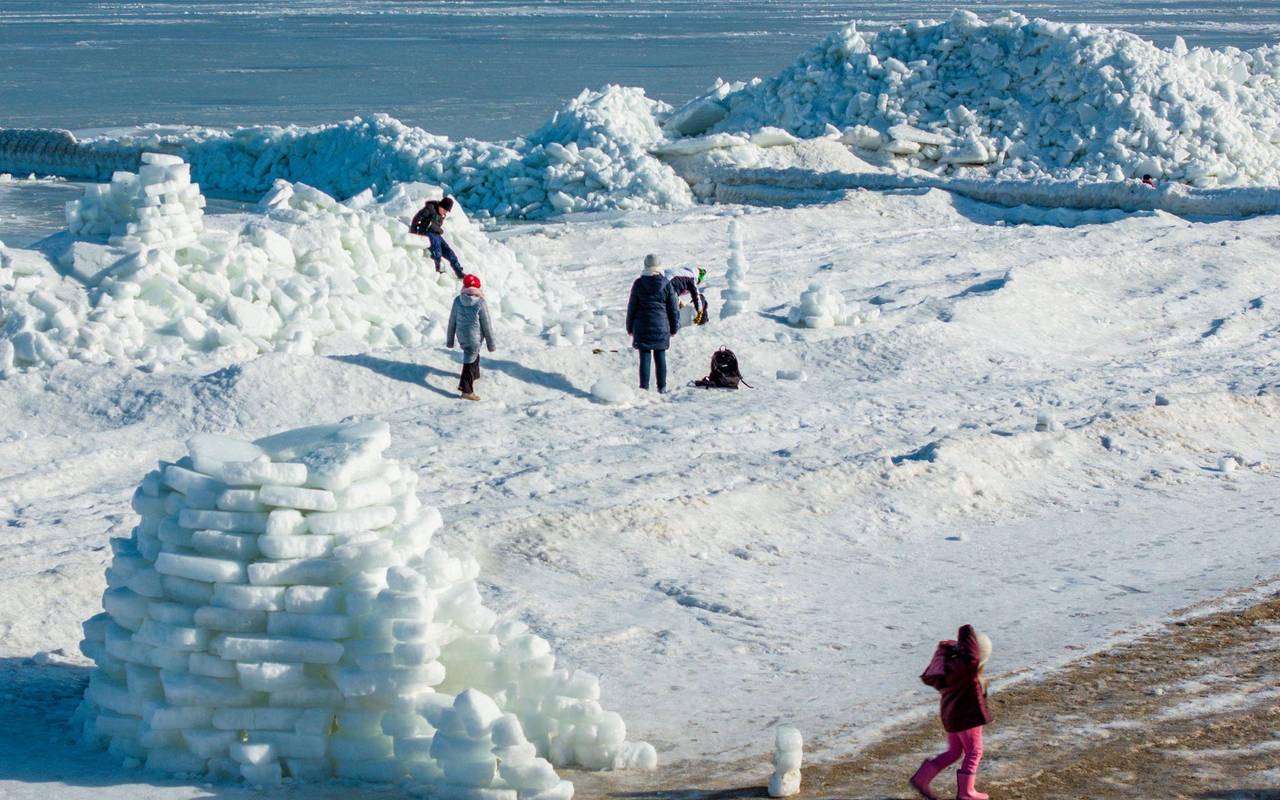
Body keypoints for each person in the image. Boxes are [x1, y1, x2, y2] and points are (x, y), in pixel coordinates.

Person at [910, 624, 993, 800]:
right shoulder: (968, 672)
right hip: (967, 718)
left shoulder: (950, 667)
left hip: (951, 716)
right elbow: (971, 656)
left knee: (954, 751)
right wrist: (967, 631)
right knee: (974, 751)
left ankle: (921, 779)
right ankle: (966, 792)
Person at [626, 254, 680, 393]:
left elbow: (632, 307)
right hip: (661, 326)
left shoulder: (638, 284)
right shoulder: (666, 284)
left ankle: (644, 388)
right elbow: (673, 309)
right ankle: (662, 387)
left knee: (645, 356)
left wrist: (629, 326)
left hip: (642, 326)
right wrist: (674, 327)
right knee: (660, 355)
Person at [446, 274, 494, 401]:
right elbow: (486, 325)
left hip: (461, 335)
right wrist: (491, 344)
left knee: (472, 353)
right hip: (474, 337)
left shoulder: (457, 300)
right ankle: (466, 390)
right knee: (470, 357)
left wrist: (450, 340)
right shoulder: (480, 302)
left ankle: (475, 374)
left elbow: (452, 321)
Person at [410, 196, 464, 279]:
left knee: (450, 253)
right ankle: (437, 270)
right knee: (437, 251)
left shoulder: (441, 215)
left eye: (446, 211)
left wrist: (439, 231)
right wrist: (413, 234)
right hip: (427, 232)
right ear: (440, 206)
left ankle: (459, 271)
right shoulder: (430, 208)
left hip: (436, 234)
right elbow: (416, 219)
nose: (445, 212)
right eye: (444, 210)